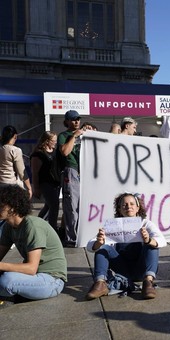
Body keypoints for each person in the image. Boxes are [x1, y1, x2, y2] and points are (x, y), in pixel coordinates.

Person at [85, 193, 166, 300]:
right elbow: (90, 245)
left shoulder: (146, 223)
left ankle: (148, 283)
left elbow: (162, 241)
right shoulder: (113, 225)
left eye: (132, 204)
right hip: (122, 269)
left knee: (152, 245)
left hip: (141, 269)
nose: (128, 207)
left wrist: (148, 240)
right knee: (103, 248)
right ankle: (100, 284)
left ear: (138, 207)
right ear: (119, 209)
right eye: (124, 205)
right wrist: (98, 243)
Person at [0, 185, 66, 303]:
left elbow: (31, 268)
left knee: (6, 280)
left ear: (13, 207)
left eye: (1, 204)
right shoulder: (8, 227)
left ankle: (11, 294)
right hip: (33, 277)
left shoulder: (32, 225)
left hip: (52, 280)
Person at [57, 110, 83, 247]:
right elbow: (65, 151)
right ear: (67, 121)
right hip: (71, 171)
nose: (77, 121)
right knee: (72, 207)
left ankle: (81, 235)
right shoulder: (63, 135)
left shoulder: (84, 134)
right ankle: (71, 238)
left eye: (78, 119)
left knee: (83, 207)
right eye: (73, 119)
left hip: (84, 171)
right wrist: (74, 136)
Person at [30, 131, 61, 234]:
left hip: (55, 182)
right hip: (45, 183)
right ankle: (53, 229)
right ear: (47, 141)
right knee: (54, 205)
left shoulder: (54, 151)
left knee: (49, 205)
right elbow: (35, 173)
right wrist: (36, 188)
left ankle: (37, 225)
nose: (55, 142)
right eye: (53, 141)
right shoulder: (38, 154)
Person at [0, 126, 32, 198]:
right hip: (12, 186)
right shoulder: (15, 150)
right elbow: (21, 171)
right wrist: (29, 187)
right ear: (15, 136)